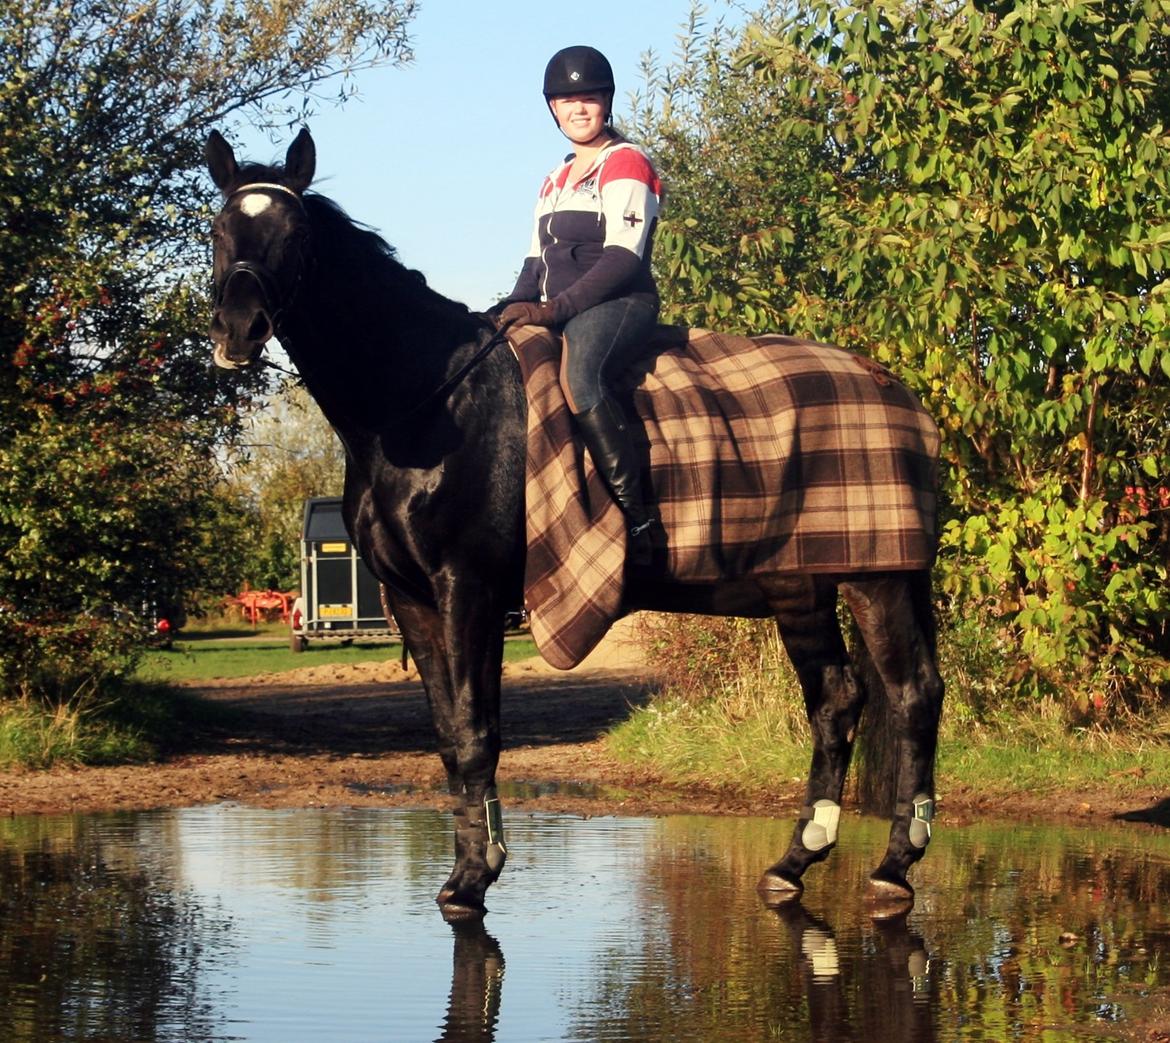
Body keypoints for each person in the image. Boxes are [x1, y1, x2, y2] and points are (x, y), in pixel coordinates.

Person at [496, 45, 662, 564]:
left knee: (581, 376)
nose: (579, 108)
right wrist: (503, 311)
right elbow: (534, 264)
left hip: (618, 303)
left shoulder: (626, 162)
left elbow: (623, 258)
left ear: (606, 102)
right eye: (568, 100)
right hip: (562, 306)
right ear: (553, 108)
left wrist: (552, 311)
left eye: (588, 98)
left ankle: (637, 520)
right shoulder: (554, 179)